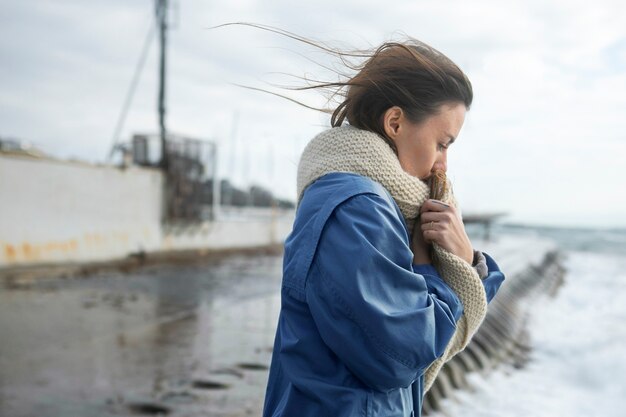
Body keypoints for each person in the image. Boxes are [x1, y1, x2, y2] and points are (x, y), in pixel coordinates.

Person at [261, 35, 505, 417]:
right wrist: (432, 268)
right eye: (442, 143)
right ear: (395, 122)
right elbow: (399, 356)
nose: (443, 164)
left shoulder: (372, 203)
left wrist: (468, 259)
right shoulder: (357, 208)